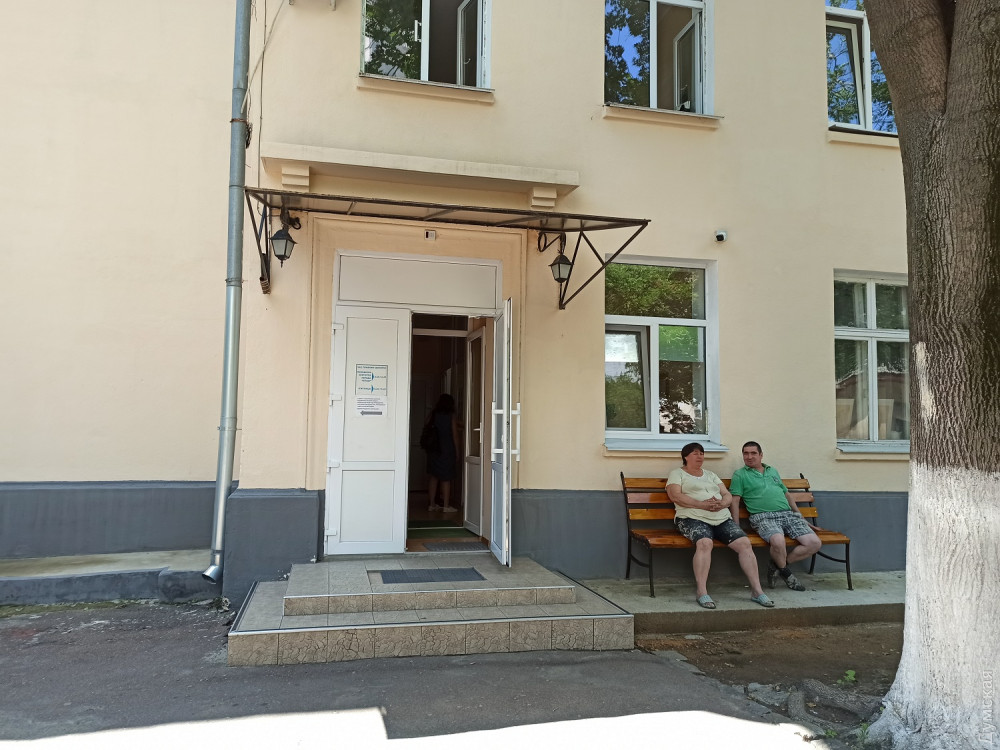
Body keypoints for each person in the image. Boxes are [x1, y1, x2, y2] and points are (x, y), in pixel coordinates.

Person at [667, 442, 774, 609]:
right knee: (705, 543)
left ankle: (757, 591)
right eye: (695, 453)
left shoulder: (711, 474)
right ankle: (702, 592)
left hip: (721, 518)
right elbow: (675, 496)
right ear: (686, 457)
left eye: (702, 453)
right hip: (691, 518)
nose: (700, 456)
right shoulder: (677, 474)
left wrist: (723, 503)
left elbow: (726, 494)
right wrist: (702, 504)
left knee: (744, 543)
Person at [729, 441, 823, 591]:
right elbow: (735, 500)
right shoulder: (740, 475)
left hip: (788, 515)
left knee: (814, 543)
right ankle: (788, 575)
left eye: (753, 453)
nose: (749, 456)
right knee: (778, 541)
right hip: (763, 517)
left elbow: (787, 494)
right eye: (746, 453)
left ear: (761, 455)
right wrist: (736, 526)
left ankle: (777, 566)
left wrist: (800, 517)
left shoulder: (772, 471)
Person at [424, 393, 461, 513]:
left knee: (433, 477)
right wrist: (457, 452)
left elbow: (426, 426)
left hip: (433, 449)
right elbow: (455, 435)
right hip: (446, 449)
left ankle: (431, 504)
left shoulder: (433, 414)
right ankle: (446, 506)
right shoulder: (451, 416)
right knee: (446, 478)